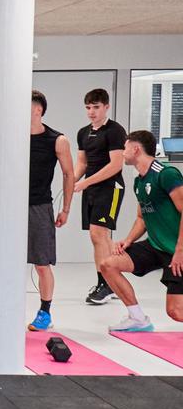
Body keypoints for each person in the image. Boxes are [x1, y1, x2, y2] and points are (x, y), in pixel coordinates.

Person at [101, 130, 183, 331]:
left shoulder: (166, 174)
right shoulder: (139, 182)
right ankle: (138, 318)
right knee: (108, 264)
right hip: (156, 245)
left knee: (176, 312)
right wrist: (128, 240)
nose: (123, 152)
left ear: (136, 149)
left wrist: (180, 250)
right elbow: (142, 217)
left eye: (125, 147)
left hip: (178, 249)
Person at [27, 90, 75, 331]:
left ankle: (45, 312)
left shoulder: (57, 140)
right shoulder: (12, 136)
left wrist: (65, 209)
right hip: (11, 207)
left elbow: (69, 174)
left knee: (42, 264)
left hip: (40, 206)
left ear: (38, 110)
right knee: (6, 262)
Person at [74, 89, 127, 305]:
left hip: (110, 187)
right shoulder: (83, 133)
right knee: (100, 237)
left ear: (106, 107)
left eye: (96, 107)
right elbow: (82, 163)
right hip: (91, 189)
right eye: (88, 107)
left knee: (98, 234)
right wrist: (72, 181)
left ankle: (105, 284)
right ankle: (112, 281)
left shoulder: (115, 131)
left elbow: (116, 164)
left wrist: (86, 182)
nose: (91, 112)